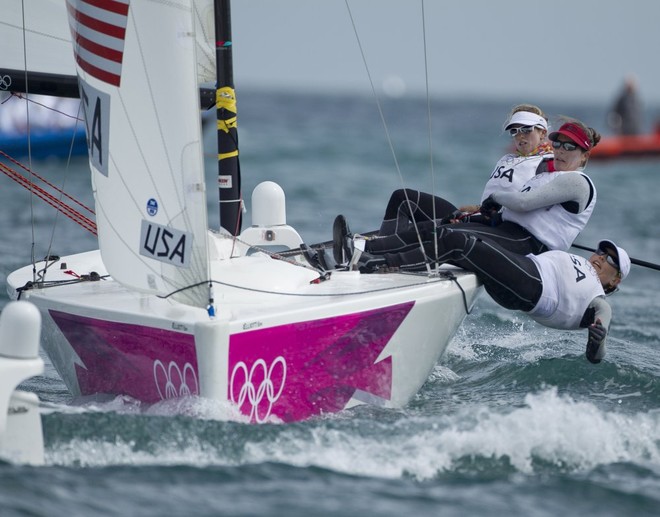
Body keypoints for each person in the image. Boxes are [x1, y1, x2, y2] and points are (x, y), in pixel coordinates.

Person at [334, 117, 601, 267]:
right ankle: (363, 249)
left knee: (445, 233)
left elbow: (522, 202)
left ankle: (375, 260)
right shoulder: (546, 172)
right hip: (503, 226)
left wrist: (494, 201)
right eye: (560, 144)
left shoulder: (574, 180)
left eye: (571, 147)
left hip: (526, 242)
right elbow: (518, 204)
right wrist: (486, 210)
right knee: (434, 228)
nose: (562, 150)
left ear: (584, 155)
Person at [355, 231, 630, 364]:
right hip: (523, 268)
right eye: (600, 252)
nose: (600, 259)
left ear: (615, 280)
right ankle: (383, 250)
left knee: (458, 244)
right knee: (459, 237)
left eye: (609, 261)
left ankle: (380, 262)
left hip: (532, 285)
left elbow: (601, 320)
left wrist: (597, 342)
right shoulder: (580, 263)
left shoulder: (598, 297)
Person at [375, 104, 553, 239]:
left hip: (496, 230)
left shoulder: (547, 164)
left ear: (543, 133)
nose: (520, 136)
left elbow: (531, 207)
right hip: (476, 218)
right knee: (403, 198)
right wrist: (476, 209)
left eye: (526, 130)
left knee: (429, 229)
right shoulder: (508, 159)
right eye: (515, 131)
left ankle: (380, 252)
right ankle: (382, 244)